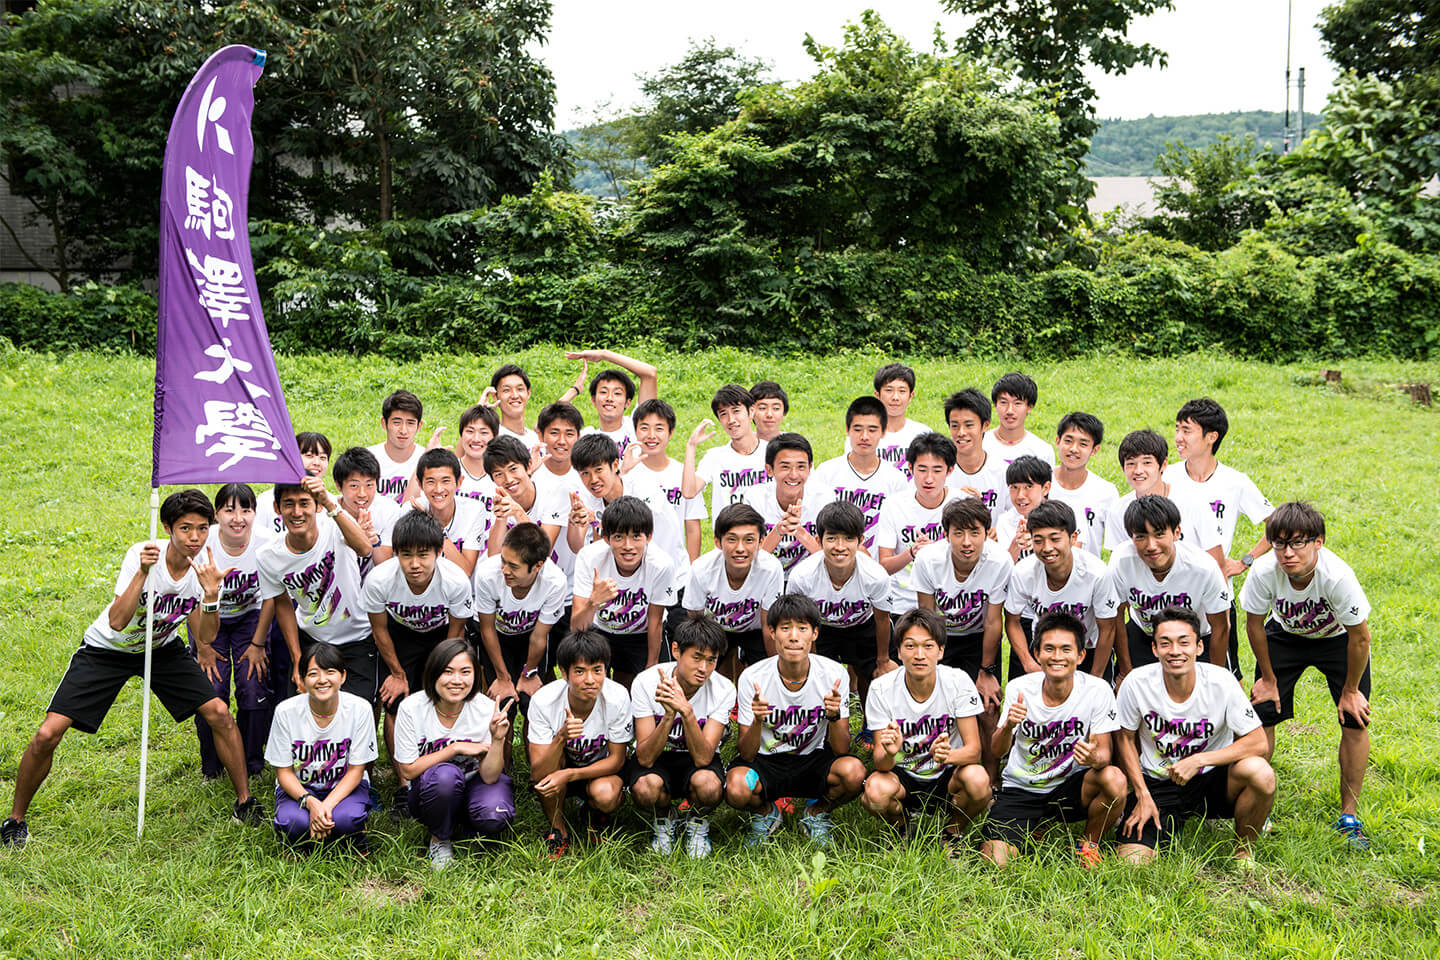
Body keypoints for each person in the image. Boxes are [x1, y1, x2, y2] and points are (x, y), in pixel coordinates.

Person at [2, 490, 261, 848]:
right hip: (108, 650)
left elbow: (206, 637)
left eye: (203, 528)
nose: (195, 537)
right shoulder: (143, 554)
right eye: (185, 528)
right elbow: (117, 621)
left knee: (218, 712)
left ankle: (245, 802)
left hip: (162, 648)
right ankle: (15, 819)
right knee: (48, 733)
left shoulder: (203, 568)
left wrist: (211, 595)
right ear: (168, 527)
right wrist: (142, 572)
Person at [1240, 501, 1373, 849]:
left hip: (1337, 640)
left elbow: (1360, 637)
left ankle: (1349, 816)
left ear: (1318, 542)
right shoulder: (1264, 571)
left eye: (1298, 543)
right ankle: (1259, 807)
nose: (1288, 553)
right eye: (1279, 543)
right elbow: (1254, 624)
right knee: (1262, 712)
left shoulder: (1337, 576)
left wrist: (1351, 690)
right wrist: (1268, 678)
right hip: (1284, 637)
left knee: (1354, 718)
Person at [1113, 607, 1275, 866]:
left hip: (1213, 778)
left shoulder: (1222, 682)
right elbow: (1125, 739)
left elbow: (1258, 742)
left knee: (1261, 773)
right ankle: (1160, 819)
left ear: (1199, 647)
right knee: (1131, 863)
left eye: (1184, 642)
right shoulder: (1136, 683)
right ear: (1154, 649)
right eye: (1165, 643)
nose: (1175, 651)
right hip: (1159, 782)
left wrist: (1199, 760)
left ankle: (1243, 852)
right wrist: (1141, 794)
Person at [980, 612, 1127, 868]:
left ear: (1080, 656)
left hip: (1070, 787)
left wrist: (1093, 757)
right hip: (1022, 789)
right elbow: (997, 750)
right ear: (1037, 654)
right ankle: (1035, 826)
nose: (1057, 656)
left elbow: (1104, 753)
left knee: (1114, 779)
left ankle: (1088, 844)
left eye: (1066, 649)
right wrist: (1008, 726)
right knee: (995, 862)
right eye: (1049, 649)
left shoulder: (1097, 690)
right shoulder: (1020, 688)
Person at [725, 594, 866, 847]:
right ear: (771, 632)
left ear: (815, 634)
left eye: (802, 628)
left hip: (813, 759)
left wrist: (834, 716)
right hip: (766, 761)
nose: (793, 637)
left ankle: (817, 812)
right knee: (736, 787)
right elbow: (746, 753)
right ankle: (766, 814)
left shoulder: (834, 674)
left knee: (853, 773)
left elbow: (841, 749)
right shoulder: (753, 677)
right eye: (785, 628)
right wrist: (757, 720)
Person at [361, 511, 474, 808]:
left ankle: (448, 767)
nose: (414, 564)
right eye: (406, 555)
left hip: (441, 636)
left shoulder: (455, 580)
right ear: (395, 554)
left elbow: (456, 631)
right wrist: (397, 674)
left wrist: (443, 672)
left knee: (442, 695)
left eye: (423, 555)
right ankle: (404, 786)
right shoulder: (379, 580)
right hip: (399, 635)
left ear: (439, 552)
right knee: (395, 702)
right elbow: (379, 629)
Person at [861, 608, 989, 848]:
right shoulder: (881, 688)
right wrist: (889, 752)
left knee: (979, 780)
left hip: (946, 775)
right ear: (899, 652)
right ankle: (901, 829)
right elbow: (880, 763)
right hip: (902, 774)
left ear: (941, 651)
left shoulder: (958, 681)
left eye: (928, 646)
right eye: (910, 646)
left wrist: (947, 755)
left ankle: (952, 833)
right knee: (875, 791)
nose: (919, 655)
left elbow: (974, 751)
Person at [393, 639, 514, 869]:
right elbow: (407, 770)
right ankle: (440, 838)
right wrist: (454, 748)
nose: (457, 680)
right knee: (446, 776)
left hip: (474, 782)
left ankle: (467, 824)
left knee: (494, 814)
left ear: (475, 675)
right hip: (431, 790)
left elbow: (489, 777)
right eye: (447, 672)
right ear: (433, 673)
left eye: (465, 672)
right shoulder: (412, 708)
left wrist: (498, 739)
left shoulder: (485, 708)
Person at [912, 498, 1012, 771]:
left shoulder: (999, 561)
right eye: (958, 533)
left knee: (988, 705)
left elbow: (994, 621)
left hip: (979, 637)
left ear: (987, 534)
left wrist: (986, 671)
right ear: (946, 535)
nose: (967, 542)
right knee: (936, 699)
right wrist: (932, 660)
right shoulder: (928, 559)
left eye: (975, 533)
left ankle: (990, 775)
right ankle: (935, 767)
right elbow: (927, 616)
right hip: (939, 636)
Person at [255, 477, 376, 702]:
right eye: (288, 504)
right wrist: (297, 658)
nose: (297, 512)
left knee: (360, 705)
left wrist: (330, 504)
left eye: (304, 503)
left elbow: (364, 548)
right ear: (276, 508)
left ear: (317, 506)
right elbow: (282, 604)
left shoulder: (335, 524)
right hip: (312, 638)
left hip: (357, 637)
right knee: (305, 706)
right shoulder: (268, 556)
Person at [628, 613, 737, 858]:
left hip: (697, 758)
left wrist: (686, 712)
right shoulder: (646, 682)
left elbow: (703, 758)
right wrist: (669, 716)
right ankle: (665, 818)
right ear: (676, 650)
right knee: (645, 788)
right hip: (658, 758)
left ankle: (696, 821)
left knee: (710, 787)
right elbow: (644, 758)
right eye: (697, 657)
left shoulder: (723, 689)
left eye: (711, 660)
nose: (703, 668)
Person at [1098, 495, 1232, 682]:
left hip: (1195, 639)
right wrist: (1126, 671)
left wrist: (1215, 679)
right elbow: (1117, 616)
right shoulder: (1122, 561)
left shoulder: (1203, 567)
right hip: (1145, 635)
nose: (1151, 546)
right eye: (1141, 537)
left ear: (1176, 532)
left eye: (1159, 534)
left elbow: (1221, 627)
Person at [527, 630, 633, 856]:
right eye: (580, 671)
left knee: (606, 794)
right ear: (564, 673)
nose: (590, 680)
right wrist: (560, 738)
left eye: (597, 670)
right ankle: (558, 830)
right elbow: (538, 772)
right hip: (560, 767)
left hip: (600, 770)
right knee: (547, 777)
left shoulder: (618, 697)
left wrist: (570, 775)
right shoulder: (543, 701)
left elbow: (617, 760)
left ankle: (594, 815)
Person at [265, 642, 378, 850]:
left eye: (330, 672)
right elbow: (284, 773)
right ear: (302, 680)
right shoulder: (285, 712)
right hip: (301, 788)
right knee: (293, 823)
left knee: (346, 820)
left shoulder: (360, 709)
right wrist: (311, 802)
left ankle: (353, 839)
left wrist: (324, 807)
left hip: (344, 786)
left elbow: (356, 770)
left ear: (343, 676)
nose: (322, 679)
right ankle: (299, 842)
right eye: (313, 674)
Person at [194, 482, 271, 780]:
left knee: (253, 685)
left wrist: (258, 643)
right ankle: (212, 767)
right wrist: (202, 647)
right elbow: (190, 602)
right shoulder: (202, 546)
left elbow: (272, 598)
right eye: (229, 510)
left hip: (250, 617)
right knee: (211, 691)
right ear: (216, 514)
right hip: (207, 617)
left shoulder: (266, 543)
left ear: (255, 513)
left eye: (246, 510)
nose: (238, 518)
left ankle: (252, 762)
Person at [787, 502, 893, 699]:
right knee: (818, 679)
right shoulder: (802, 576)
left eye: (849, 538)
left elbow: (882, 619)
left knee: (874, 677)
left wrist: (883, 660)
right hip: (822, 629)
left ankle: (869, 717)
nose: (840, 546)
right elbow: (801, 623)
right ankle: (825, 716)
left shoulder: (875, 576)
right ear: (819, 540)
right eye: (832, 538)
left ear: (861, 541)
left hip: (862, 626)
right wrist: (810, 660)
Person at [570, 496, 679, 688]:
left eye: (636, 537)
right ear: (606, 539)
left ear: (649, 537)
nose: (628, 546)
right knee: (591, 687)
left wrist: (652, 664)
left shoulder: (661, 564)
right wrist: (593, 602)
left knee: (654, 687)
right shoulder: (589, 558)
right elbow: (576, 628)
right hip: (600, 632)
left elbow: (655, 620)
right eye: (619, 537)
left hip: (643, 633)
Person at [1002, 501, 1113, 682]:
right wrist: (1029, 664)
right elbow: (1012, 621)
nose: (1047, 548)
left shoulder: (1097, 574)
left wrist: (1096, 678)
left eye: (1055, 539)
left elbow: (1107, 628)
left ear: (1073, 538)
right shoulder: (1023, 572)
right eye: (1038, 540)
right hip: (1045, 649)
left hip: (1088, 648)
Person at [1165, 397, 1274, 580]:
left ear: (1212, 437)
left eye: (1186, 431)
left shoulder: (1235, 482)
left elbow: (1278, 524)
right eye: (1177, 430)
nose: (1178, 438)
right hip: (1172, 586)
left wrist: (1245, 561)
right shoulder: (1165, 477)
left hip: (1216, 586)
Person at [569, 433, 690, 588]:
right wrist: (575, 523)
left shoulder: (643, 489)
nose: (593, 479)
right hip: (628, 585)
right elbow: (579, 548)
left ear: (615, 465)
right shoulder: (588, 497)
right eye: (585, 473)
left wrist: (598, 525)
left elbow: (637, 540)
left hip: (669, 579)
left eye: (598, 470)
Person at [472, 522, 568, 714]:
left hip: (530, 636)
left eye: (514, 566)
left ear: (537, 566)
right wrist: (502, 678)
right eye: (503, 561)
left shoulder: (555, 582)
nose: (505, 570)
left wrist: (529, 673)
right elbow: (487, 629)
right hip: (496, 635)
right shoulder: (487, 574)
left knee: (531, 702)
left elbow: (539, 637)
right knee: (501, 702)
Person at [681, 504, 785, 680]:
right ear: (717, 542)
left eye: (749, 540)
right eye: (732, 539)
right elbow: (695, 620)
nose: (740, 548)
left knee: (764, 676)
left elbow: (769, 626)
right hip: (715, 629)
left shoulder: (771, 569)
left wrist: (774, 671)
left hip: (756, 631)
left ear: (761, 542)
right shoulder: (701, 569)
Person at [808, 396, 909, 550]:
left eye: (872, 430)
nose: (864, 436)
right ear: (847, 430)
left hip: (878, 562)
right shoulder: (826, 472)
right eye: (857, 429)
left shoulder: (896, 479)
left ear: (883, 432)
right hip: (836, 557)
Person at [875, 432, 958, 614]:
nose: (929, 478)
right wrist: (912, 552)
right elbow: (884, 566)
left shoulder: (961, 503)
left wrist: (936, 551)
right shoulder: (894, 505)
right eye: (922, 470)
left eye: (937, 470)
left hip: (950, 602)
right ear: (910, 468)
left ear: (950, 470)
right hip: (902, 603)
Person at [1103, 430, 1220, 556]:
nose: (1138, 471)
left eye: (1147, 463)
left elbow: (1216, 560)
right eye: (1131, 463)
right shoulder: (1118, 510)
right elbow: (1120, 560)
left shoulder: (1193, 502)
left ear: (1163, 464)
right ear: (1123, 468)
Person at [628, 398, 706, 561]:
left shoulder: (684, 474)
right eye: (644, 428)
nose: (651, 436)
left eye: (659, 429)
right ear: (635, 431)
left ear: (671, 433)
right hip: (635, 565)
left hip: (676, 566)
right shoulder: (627, 473)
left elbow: (692, 527)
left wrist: (691, 568)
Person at [682, 384, 770, 516]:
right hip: (727, 528)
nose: (731, 420)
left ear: (751, 411)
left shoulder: (772, 452)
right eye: (723, 414)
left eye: (736, 411)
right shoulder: (714, 457)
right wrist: (691, 446)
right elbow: (689, 492)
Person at [401, 448, 488, 577]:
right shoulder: (410, 510)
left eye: (446, 481)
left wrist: (431, 524)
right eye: (431, 482)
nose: (438, 489)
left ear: (459, 482)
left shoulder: (474, 510)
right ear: (419, 484)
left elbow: (466, 572)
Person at [746, 432, 821, 579]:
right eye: (785, 467)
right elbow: (751, 560)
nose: (793, 475)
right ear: (769, 470)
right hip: (765, 579)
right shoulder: (754, 499)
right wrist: (780, 529)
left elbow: (829, 559)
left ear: (810, 468)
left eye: (801, 467)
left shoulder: (823, 498)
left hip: (810, 580)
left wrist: (798, 531)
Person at [562, 348, 659, 458]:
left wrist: (604, 354)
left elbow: (650, 374)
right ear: (593, 400)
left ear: (627, 403)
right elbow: (547, 424)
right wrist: (575, 390)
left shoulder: (637, 426)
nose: (609, 398)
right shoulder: (586, 438)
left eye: (617, 393)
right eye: (603, 392)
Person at [1048, 412, 1118, 557]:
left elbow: (1116, 547)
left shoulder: (1106, 492)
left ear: (1095, 450)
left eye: (1083, 444)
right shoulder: (1040, 484)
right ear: (1057, 441)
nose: (1074, 448)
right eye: (1068, 441)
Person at [482, 436, 564, 558]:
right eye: (499, 474)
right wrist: (501, 518)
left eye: (513, 469)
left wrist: (518, 513)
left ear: (529, 466)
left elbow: (542, 552)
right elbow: (493, 556)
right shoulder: (497, 500)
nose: (508, 479)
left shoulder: (553, 495)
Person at [331, 446, 403, 581]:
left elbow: (385, 568)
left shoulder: (389, 510)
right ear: (339, 486)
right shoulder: (328, 512)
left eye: (369, 485)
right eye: (354, 486)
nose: (362, 494)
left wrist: (374, 542)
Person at [943, 388, 1009, 520]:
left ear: (985, 425)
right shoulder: (938, 473)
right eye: (955, 426)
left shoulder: (1003, 472)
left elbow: (1016, 516)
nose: (961, 432)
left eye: (969, 425)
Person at [255, 432, 333, 543]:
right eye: (309, 456)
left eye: (323, 457)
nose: (317, 462)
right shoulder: (265, 500)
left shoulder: (332, 502)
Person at [862, 362, 935, 476]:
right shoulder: (862, 435)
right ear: (877, 395)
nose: (895, 397)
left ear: (910, 396)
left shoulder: (924, 433)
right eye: (889, 390)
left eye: (902, 391)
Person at [982, 372, 1055, 468]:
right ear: (995, 405)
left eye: (1017, 403)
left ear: (1029, 407)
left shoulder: (1042, 451)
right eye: (1003, 402)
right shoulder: (980, 445)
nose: (1010, 410)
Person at [369, 389, 426, 504]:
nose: (403, 431)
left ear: (419, 426)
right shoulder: (368, 458)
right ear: (384, 423)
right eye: (396, 422)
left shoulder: (427, 460)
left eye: (410, 423)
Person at [993, 455, 1052, 563]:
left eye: (1028, 487)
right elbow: (1006, 568)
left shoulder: (1061, 516)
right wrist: (1017, 543)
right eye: (1014, 487)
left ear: (1046, 488)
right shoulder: (1005, 521)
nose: (1020, 495)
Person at [454, 403, 501, 508]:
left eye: (484, 433)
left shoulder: (501, 478)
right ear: (461, 435)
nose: (476, 439)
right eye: (470, 431)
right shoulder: (449, 470)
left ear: (495, 437)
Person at [484, 363, 539, 446]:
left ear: (528, 393)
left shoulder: (536, 438)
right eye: (506, 390)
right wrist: (478, 409)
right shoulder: (490, 438)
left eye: (520, 389)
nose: (515, 395)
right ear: (495, 396)